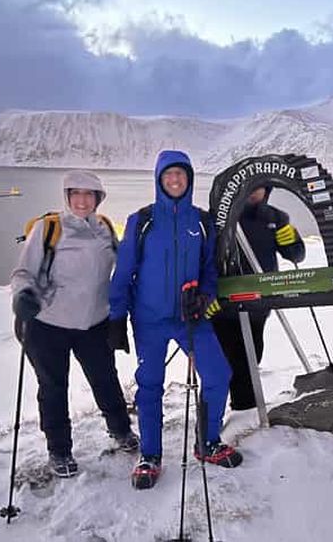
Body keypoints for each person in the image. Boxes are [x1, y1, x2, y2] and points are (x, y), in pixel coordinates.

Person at [109, 150, 243, 490]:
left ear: (189, 179)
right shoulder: (142, 221)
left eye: (180, 175)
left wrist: (205, 297)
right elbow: (124, 271)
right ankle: (150, 456)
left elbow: (210, 271)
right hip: (149, 319)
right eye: (168, 175)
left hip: (190, 317)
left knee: (218, 375)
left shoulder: (201, 222)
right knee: (150, 385)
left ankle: (207, 441)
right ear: (158, 179)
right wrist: (116, 316)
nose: (175, 180)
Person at [10, 170, 139, 479]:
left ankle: (121, 430)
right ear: (67, 197)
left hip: (94, 322)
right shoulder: (48, 228)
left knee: (106, 379)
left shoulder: (105, 228)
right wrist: (23, 295)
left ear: (98, 199)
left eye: (89, 194)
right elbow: (23, 272)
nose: (82, 200)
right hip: (48, 323)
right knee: (53, 387)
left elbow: (126, 267)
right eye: (75, 194)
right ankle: (59, 450)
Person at [211, 186, 306, 410]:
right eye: (249, 188)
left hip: (259, 302)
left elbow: (296, 256)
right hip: (225, 302)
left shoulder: (275, 217)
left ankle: (244, 408)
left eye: (260, 188)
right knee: (228, 359)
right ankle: (233, 409)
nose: (254, 192)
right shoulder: (219, 217)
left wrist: (292, 241)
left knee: (253, 355)